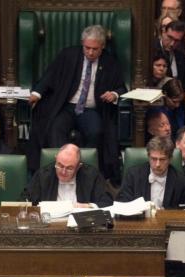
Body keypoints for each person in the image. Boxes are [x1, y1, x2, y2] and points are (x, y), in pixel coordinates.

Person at [27, 25, 126, 180]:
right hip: (66, 107)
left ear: (103, 46)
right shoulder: (69, 55)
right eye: (87, 48)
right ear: (82, 43)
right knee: (54, 128)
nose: (91, 52)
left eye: (95, 49)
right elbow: (49, 76)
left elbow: (121, 87)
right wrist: (36, 93)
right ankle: (56, 171)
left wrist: (113, 94)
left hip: (90, 110)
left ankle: (86, 174)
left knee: (96, 131)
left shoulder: (110, 62)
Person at [26, 144, 112, 207]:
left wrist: (88, 206)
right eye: (60, 165)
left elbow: (107, 202)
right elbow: (26, 200)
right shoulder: (43, 175)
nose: (63, 172)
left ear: (79, 166)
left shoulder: (92, 175)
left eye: (69, 168)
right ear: (56, 159)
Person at [118, 136, 185, 209]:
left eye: (162, 159)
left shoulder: (183, 182)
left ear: (170, 159)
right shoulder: (132, 175)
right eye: (154, 159)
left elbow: (184, 214)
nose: (157, 164)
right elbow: (123, 204)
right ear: (148, 156)